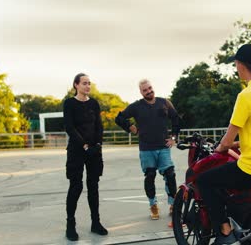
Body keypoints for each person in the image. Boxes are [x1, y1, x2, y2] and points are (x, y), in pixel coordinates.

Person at [197, 44, 251, 245]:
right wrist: (238, 142)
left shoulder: (246, 95)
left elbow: (226, 141)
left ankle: (225, 230)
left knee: (205, 181)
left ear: (239, 65)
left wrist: (222, 146)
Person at [115, 79, 180, 220]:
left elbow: (176, 118)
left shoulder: (164, 102)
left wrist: (174, 137)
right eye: (145, 90)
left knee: (170, 175)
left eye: (150, 88)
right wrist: (131, 127)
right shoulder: (136, 106)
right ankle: (153, 205)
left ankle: (172, 204)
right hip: (146, 149)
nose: (149, 91)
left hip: (164, 147)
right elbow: (119, 118)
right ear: (141, 92)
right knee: (150, 176)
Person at [63, 73, 108, 241]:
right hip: (76, 150)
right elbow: (70, 127)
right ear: (76, 85)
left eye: (89, 83)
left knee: (93, 186)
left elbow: (99, 126)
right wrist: (84, 145)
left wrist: (97, 145)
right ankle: (70, 225)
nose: (88, 86)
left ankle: (95, 223)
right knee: (76, 186)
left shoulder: (94, 103)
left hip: (94, 151)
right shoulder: (69, 104)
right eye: (84, 83)